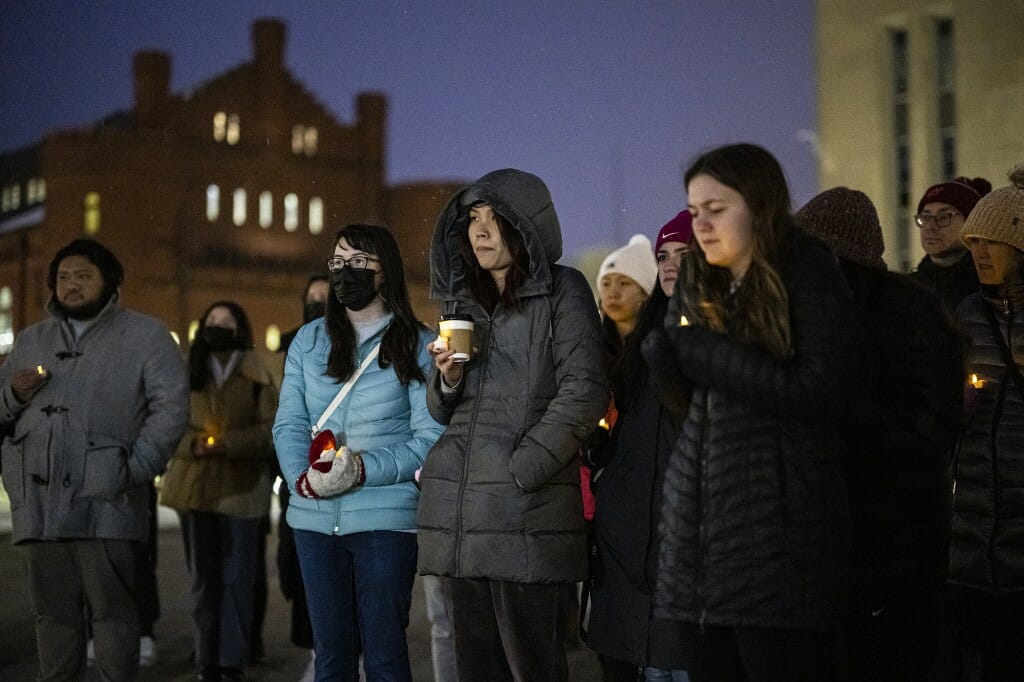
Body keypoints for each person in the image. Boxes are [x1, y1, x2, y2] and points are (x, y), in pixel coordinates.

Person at [643, 144, 853, 681]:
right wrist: (665, 365)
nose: (702, 225)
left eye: (717, 208)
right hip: (698, 546)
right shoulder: (699, 281)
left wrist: (708, 356)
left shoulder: (804, 268)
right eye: (694, 212)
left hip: (776, 543)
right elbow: (693, 413)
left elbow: (818, 388)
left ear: (758, 205)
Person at [417, 168, 609, 681]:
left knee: (534, 669)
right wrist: (448, 380)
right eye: (472, 220)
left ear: (524, 228)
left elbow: (584, 392)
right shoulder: (463, 303)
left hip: (527, 517)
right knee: (477, 670)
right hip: (467, 518)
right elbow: (441, 410)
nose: (479, 231)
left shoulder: (564, 291)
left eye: (493, 220)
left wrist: (520, 471)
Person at [795, 187, 964, 681]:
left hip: (886, 549)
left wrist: (838, 420)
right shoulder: (811, 312)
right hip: (848, 552)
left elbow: (929, 427)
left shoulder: (904, 316)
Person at [0, 238, 189, 681]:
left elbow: (172, 409)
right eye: (63, 277)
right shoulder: (31, 339)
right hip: (39, 503)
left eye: (83, 276)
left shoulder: (146, 335)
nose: (71, 285)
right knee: (52, 616)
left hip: (108, 499)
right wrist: (13, 395)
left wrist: (134, 469)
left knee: (114, 614)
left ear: (111, 282)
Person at [273, 223, 443, 681]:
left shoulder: (418, 343)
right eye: (338, 263)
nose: (346, 273)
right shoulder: (308, 341)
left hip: (385, 522)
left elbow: (428, 438)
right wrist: (301, 479)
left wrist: (361, 469)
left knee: (386, 656)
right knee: (331, 656)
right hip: (312, 520)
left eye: (359, 264)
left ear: (385, 272)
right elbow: (287, 423)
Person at [587, 213, 694, 682]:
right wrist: (602, 450)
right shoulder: (642, 344)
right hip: (633, 533)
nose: (670, 266)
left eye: (684, 256)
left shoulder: (722, 332)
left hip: (687, 532)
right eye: (664, 256)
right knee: (650, 663)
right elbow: (629, 429)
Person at [159, 300, 278, 681]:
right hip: (196, 489)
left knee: (237, 577)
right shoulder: (186, 369)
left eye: (227, 321)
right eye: (213, 320)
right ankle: (205, 656)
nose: (219, 326)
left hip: (242, 491)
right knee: (203, 580)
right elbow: (167, 421)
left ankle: (230, 659)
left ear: (241, 328)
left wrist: (230, 443)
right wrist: (193, 444)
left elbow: (270, 427)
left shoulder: (256, 372)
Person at [948, 166, 1024, 680]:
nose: (979, 252)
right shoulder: (965, 314)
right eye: (973, 241)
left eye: (991, 241)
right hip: (969, 541)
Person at [275, 274, 328, 681]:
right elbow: (285, 415)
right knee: (302, 572)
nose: (317, 301)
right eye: (311, 296)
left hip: (339, 467)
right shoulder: (293, 345)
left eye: (325, 296)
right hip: (300, 478)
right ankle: (317, 652)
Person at [912, 176, 991, 312]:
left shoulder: (993, 288)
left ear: (971, 224)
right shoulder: (909, 289)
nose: (930, 227)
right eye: (925, 217)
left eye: (943, 217)